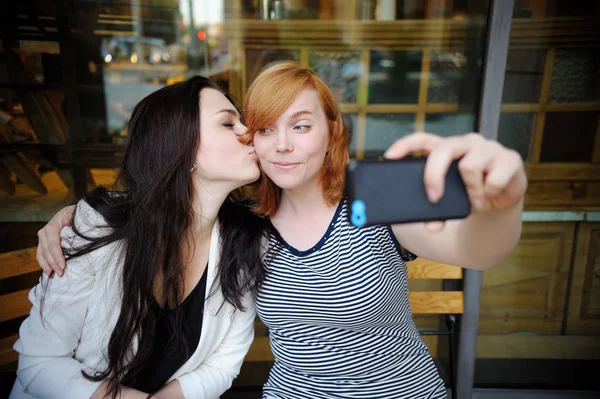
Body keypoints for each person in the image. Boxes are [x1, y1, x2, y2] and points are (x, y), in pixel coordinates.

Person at [37, 62, 527, 399]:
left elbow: (473, 249)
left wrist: (504, 204)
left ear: (332, 130)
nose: (282, 146)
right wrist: (72, 219)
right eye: (265, 128)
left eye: (301, 125)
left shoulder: (367, 202)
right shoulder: (243, 226)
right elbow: (158, 205)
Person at [11, 76, 268, 399]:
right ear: (180, 146)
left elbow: (223, 364)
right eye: (228, 123)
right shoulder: (98, 228)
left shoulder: (244, 243)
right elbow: (39, 363)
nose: (248, 132)